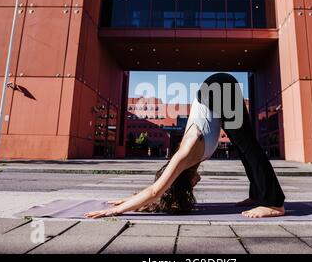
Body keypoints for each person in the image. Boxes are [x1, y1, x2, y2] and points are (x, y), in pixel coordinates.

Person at [85, 73, 285, 219]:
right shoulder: (189, 160)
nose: (195, 185)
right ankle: (257, 194)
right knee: (244, 148)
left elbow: (156, 191)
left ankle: (274, 203)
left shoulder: (185, 153)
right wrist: (129, 200)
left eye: (190, 187)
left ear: (183, 179)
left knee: (249, 147)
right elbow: (158, 189)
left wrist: (115, 211)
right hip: (218, 92)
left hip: (219, 89)